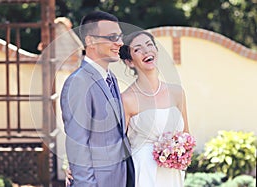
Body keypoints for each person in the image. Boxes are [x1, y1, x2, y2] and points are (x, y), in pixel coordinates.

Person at [60, 11, 135, 187]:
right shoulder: (78, 82)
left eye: (120, 36)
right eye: (112, 37)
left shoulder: (111, 78)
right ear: (90, 41)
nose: (120, 43)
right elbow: (78, 146)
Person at [120, 31, 190, 186]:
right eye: (137, 49)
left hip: (173, 173)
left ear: (156, 52)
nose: (146, 51)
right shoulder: (126, 99)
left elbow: (187, 135)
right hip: (144, 172)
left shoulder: (177, 92)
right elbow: (115, 147)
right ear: (129, 62)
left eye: (150, 45)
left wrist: (179, 153)